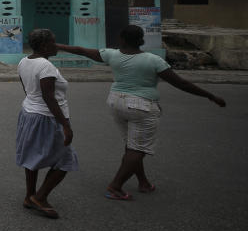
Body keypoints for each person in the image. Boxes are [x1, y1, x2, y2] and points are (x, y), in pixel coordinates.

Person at [57, 25, 225, 200]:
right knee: (137, 149)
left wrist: (58, 46)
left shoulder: (112, 55)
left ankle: (143, 182)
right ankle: (115, 187)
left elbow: (80, 50)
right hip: (141, 106)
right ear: (140, 40)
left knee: (132, 146)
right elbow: (181, 83)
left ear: (122, 39)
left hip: (116, 102)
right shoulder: (154, 60)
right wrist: (210, 96)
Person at [16, 28, 78, 219]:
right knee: (66, 160)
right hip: (46, 117)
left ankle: (29, 195)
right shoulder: (46, 67)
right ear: (44, 46)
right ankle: (40, 197)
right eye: (53, 42)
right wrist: (65, 125)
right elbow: (49, 97)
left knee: (33, 155)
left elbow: (28, 89)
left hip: (29, 112)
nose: (56, 45)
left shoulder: (24, 61)